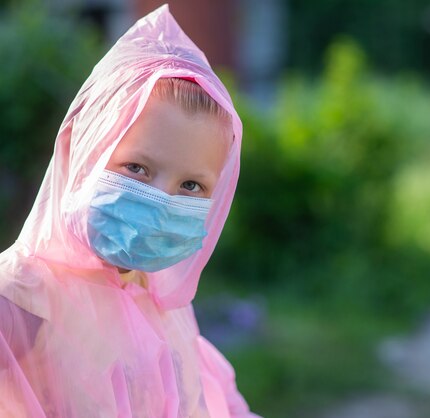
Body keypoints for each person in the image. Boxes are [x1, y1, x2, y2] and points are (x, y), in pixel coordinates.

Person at [0, 5, 260, 417]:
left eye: (191, 186)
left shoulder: (162, 306)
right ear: (82, 151)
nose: (160, 203)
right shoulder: (17, 302)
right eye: (136, 168)